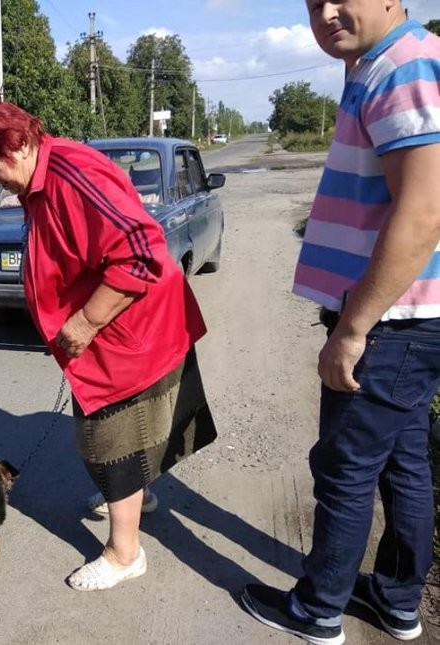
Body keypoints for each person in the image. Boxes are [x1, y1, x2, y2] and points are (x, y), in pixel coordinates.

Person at [241, 2, 440, 643]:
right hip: (409, 316)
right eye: (312, 0)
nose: (326, 13)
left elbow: (423, 212)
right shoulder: (382, 64)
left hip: (391, 321)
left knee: (346, 467)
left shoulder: (404, 67)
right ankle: (397, 601)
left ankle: (318, 608)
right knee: (402, 464)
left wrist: (354, 328)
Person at [0, 101, 217, 591]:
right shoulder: (37, 181)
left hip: (126, 330)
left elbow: (140, 252)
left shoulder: (71, 174)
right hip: (105, 338)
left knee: (111, 442)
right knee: (132, 430)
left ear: (17, 144)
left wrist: (85, 320)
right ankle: (139, 500)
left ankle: (125, 554)